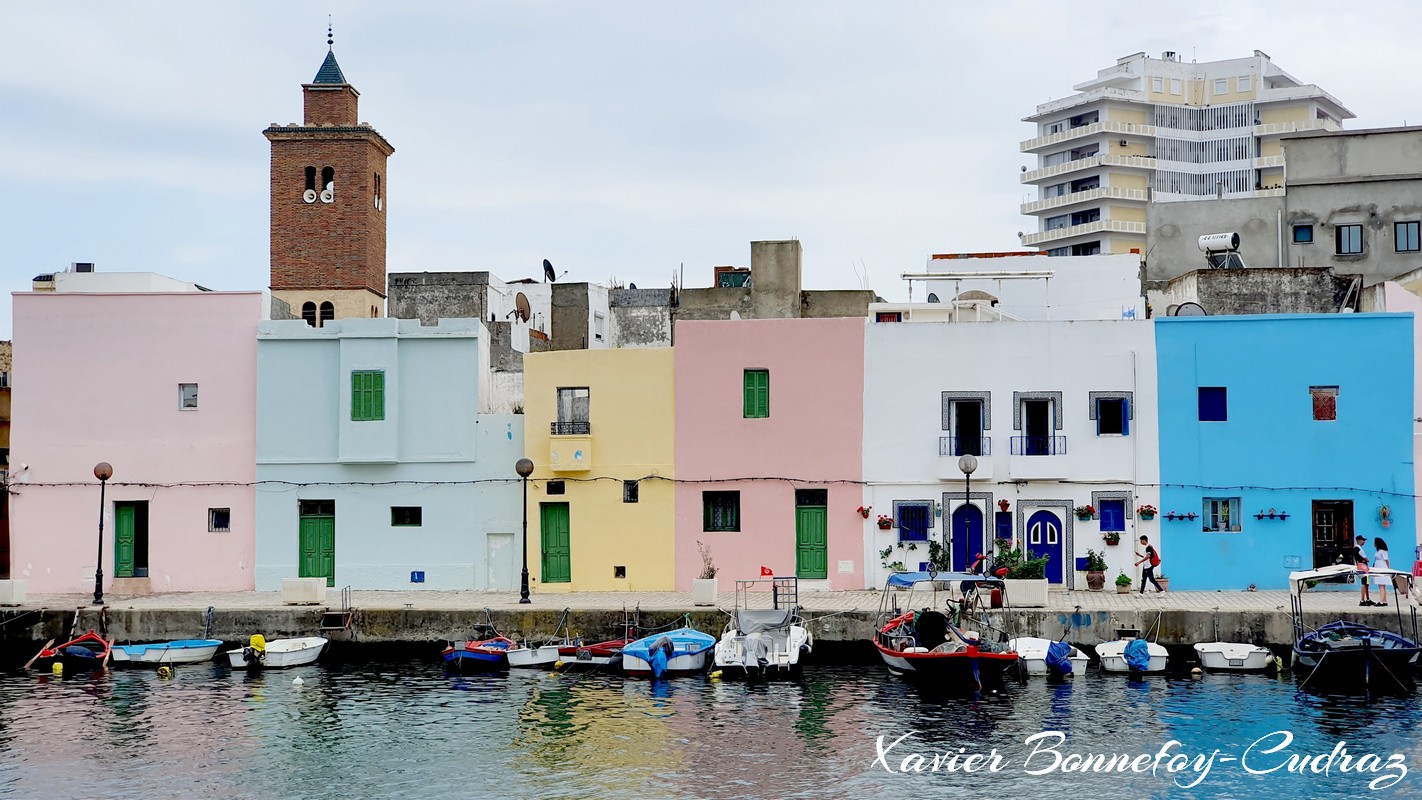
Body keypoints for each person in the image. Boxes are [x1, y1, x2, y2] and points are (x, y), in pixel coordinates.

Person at [1353, 535, 1372, 607]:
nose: (1364, 542)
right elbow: (1366, 559)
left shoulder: (1355, 548)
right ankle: (1362, 600)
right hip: (1363, 567)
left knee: (1366, 583)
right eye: (1363, 540)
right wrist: (1365, 560)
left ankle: (1367, 599)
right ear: (1359, 540)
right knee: (1365, 583)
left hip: (1360, 566)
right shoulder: (1359, 549)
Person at [1371, 537, 1391, 606]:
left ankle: (1382, 601)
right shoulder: (1378, 551)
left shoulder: (1383, 551)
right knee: (1382, 585)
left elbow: (1386, 560)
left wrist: (1388, 568)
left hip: (1382, 567)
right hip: (1378, 566)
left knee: (1381, 584)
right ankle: (1384, 600)